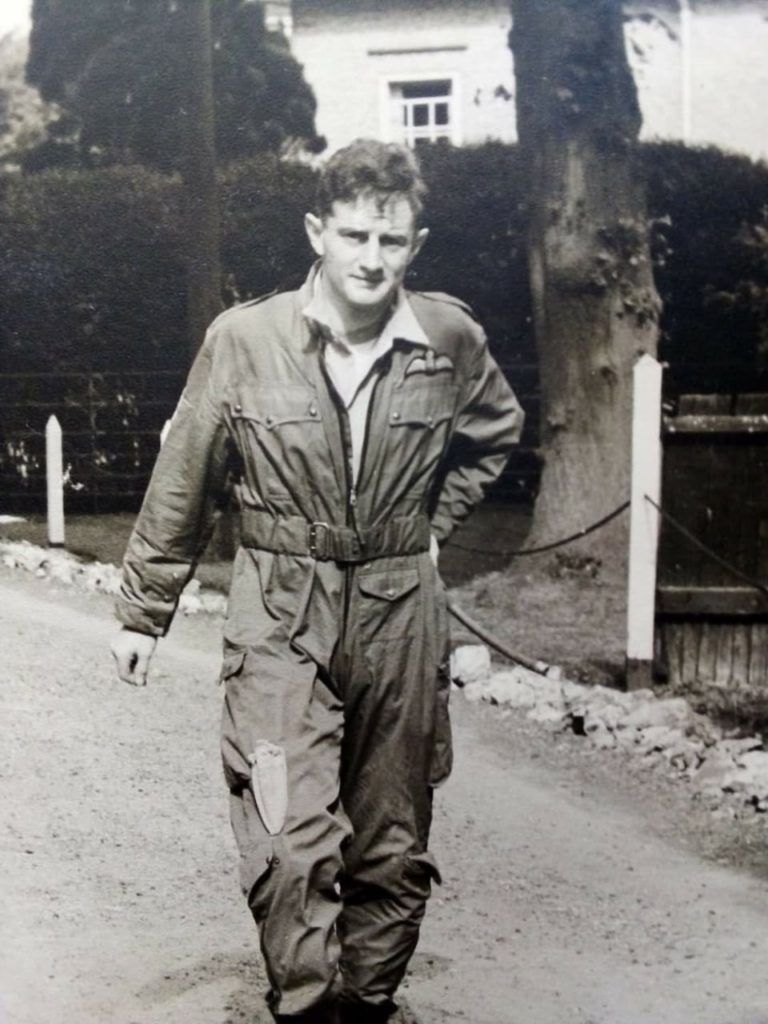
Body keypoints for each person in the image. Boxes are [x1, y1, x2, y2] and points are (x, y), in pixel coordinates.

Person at [111, 138, 523, 1024]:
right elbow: (184, 472)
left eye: (392, 241)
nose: (371, 259)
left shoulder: (449, 336)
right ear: (317, 233)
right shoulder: (245, 340)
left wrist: (430, 526)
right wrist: (143, 612)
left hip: (400, 610)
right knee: (287, 836)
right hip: (279, 606)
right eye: (353, 237)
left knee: (392, 840)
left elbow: (494, 430)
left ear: (415, 244)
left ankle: (367, 1005)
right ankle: (303, 1006)